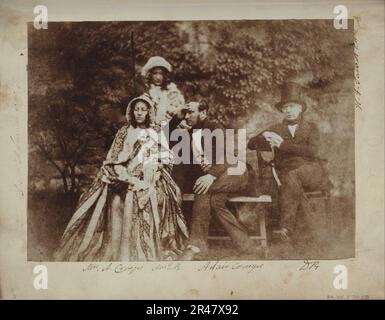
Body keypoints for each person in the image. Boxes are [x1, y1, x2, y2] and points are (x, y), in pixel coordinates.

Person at [55, 94, 188, 261]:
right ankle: (119, 251)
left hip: (149, 175)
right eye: (136, 109)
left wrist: (151, 168)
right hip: (124, 174)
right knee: (116, 201)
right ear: (131, 112)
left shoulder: (154, 131)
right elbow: (114, 156)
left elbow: (164, 154)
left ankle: (143, 249)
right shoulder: (124, 131)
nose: (139, 113)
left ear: (148, 112)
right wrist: (121, 175)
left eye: (143, 110)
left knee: (148, 199)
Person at [171, 100, 256, 260]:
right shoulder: (188, 133)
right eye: (186, 112)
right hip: (217, 181)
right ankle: (247, 246)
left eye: (191, 112)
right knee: (215, 202)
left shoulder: (214, 127)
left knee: (203, 189)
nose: (187, 116)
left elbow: (228, 157)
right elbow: (165, 137)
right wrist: (177, 117)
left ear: (202, 113)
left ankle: (196, 246)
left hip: (235, 172)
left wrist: (210, 175)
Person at [248, 82, 330, 243]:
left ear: (300, 108)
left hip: (311, 171)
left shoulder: (311, 127)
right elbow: (250, 144)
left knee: (291, 176)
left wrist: (282, 145)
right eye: (285, 107)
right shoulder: (275, 128)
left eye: (292, 106)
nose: (288, 110)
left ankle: (286, 227)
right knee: (290, 177)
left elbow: (313, 152)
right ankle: (289, 230)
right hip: (286, 174)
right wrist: (262, 137)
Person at [141, 56, 186, 127]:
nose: (158, 77)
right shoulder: (147, 93)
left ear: (165, 75)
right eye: (155, 73)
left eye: (161, 74)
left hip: (171, 128)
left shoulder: (172, 92)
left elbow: (178, 113)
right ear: (150, 75)